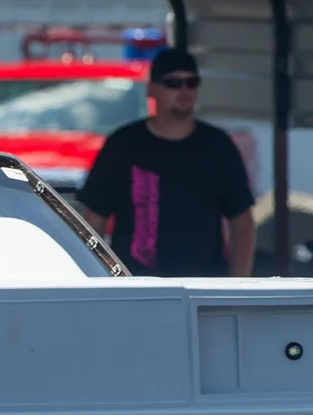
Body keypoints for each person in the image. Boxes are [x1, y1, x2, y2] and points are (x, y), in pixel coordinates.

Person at [74, 49, 256, 278]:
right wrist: (100, 282)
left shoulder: (218, 146)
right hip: (137, 284)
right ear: (151, 89)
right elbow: (94, 219)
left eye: (191, 83)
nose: (184, 91)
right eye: (173, 83)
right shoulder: (123, 145)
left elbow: (242, 222)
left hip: (202, 287)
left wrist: (238, 285)